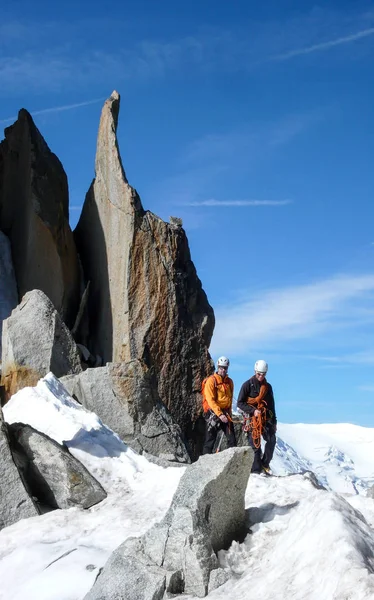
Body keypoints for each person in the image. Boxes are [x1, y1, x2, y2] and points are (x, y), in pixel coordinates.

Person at [237, 360, 277, 474]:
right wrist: (253, 411)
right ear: (255, 371)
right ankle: (256, 472)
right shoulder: (247, 385)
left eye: (263, 374)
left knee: (272, 440)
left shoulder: (268, 387)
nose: (261, 376)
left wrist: (274, 422)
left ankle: (265, 464)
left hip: (265, 418)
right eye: (259, 374)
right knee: (256, 447)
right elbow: (240, 403)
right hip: (252, 419)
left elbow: (272, 406)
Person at [202, 356, 237, 454]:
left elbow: (229, 399)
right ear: (218, 367)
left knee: (232, 440)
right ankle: (205, 465)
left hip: (225, 413)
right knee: (210, 441)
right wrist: (220, 414)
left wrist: (228, 413)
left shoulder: (229, 382)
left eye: (225, 368)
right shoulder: (211, 381)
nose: (223, 370)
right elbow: (210, 400)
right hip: (213, 414)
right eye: (221, 367)